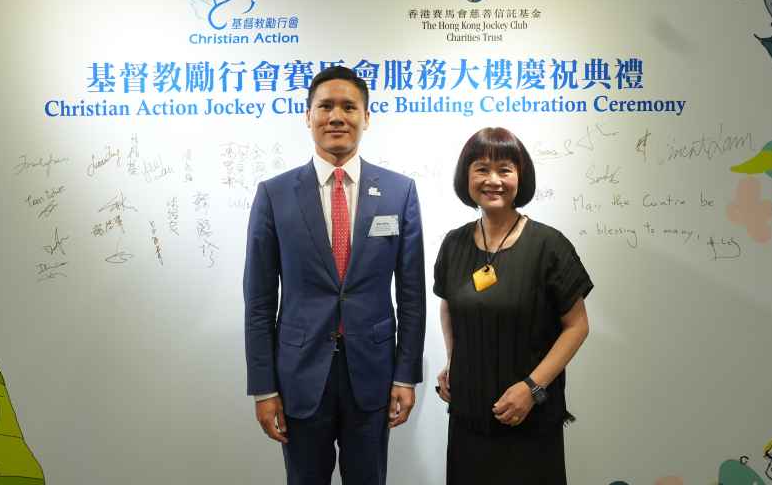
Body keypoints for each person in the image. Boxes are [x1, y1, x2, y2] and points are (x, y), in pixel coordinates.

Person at [243, 65, 426, 485]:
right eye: (325, 107)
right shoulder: (274, 194)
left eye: (349, 107)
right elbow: (259, 301)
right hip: (300, 374)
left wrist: (405, 374)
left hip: (373, 373)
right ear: (308, 116)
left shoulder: (399, 192)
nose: (336, 117)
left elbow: (412, 296)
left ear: (366, 117)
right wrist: (264, 387)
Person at [434, 127, 592, 485]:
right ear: (466, 177)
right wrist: (453, 360)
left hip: (529, 418)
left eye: (504, 169)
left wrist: (532, 388)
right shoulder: (454, 244)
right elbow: (449, 306)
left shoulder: (549, 246)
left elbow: (577, 326)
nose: (493, 180)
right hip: (469, 417)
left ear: (521, 177)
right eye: (481, 169)